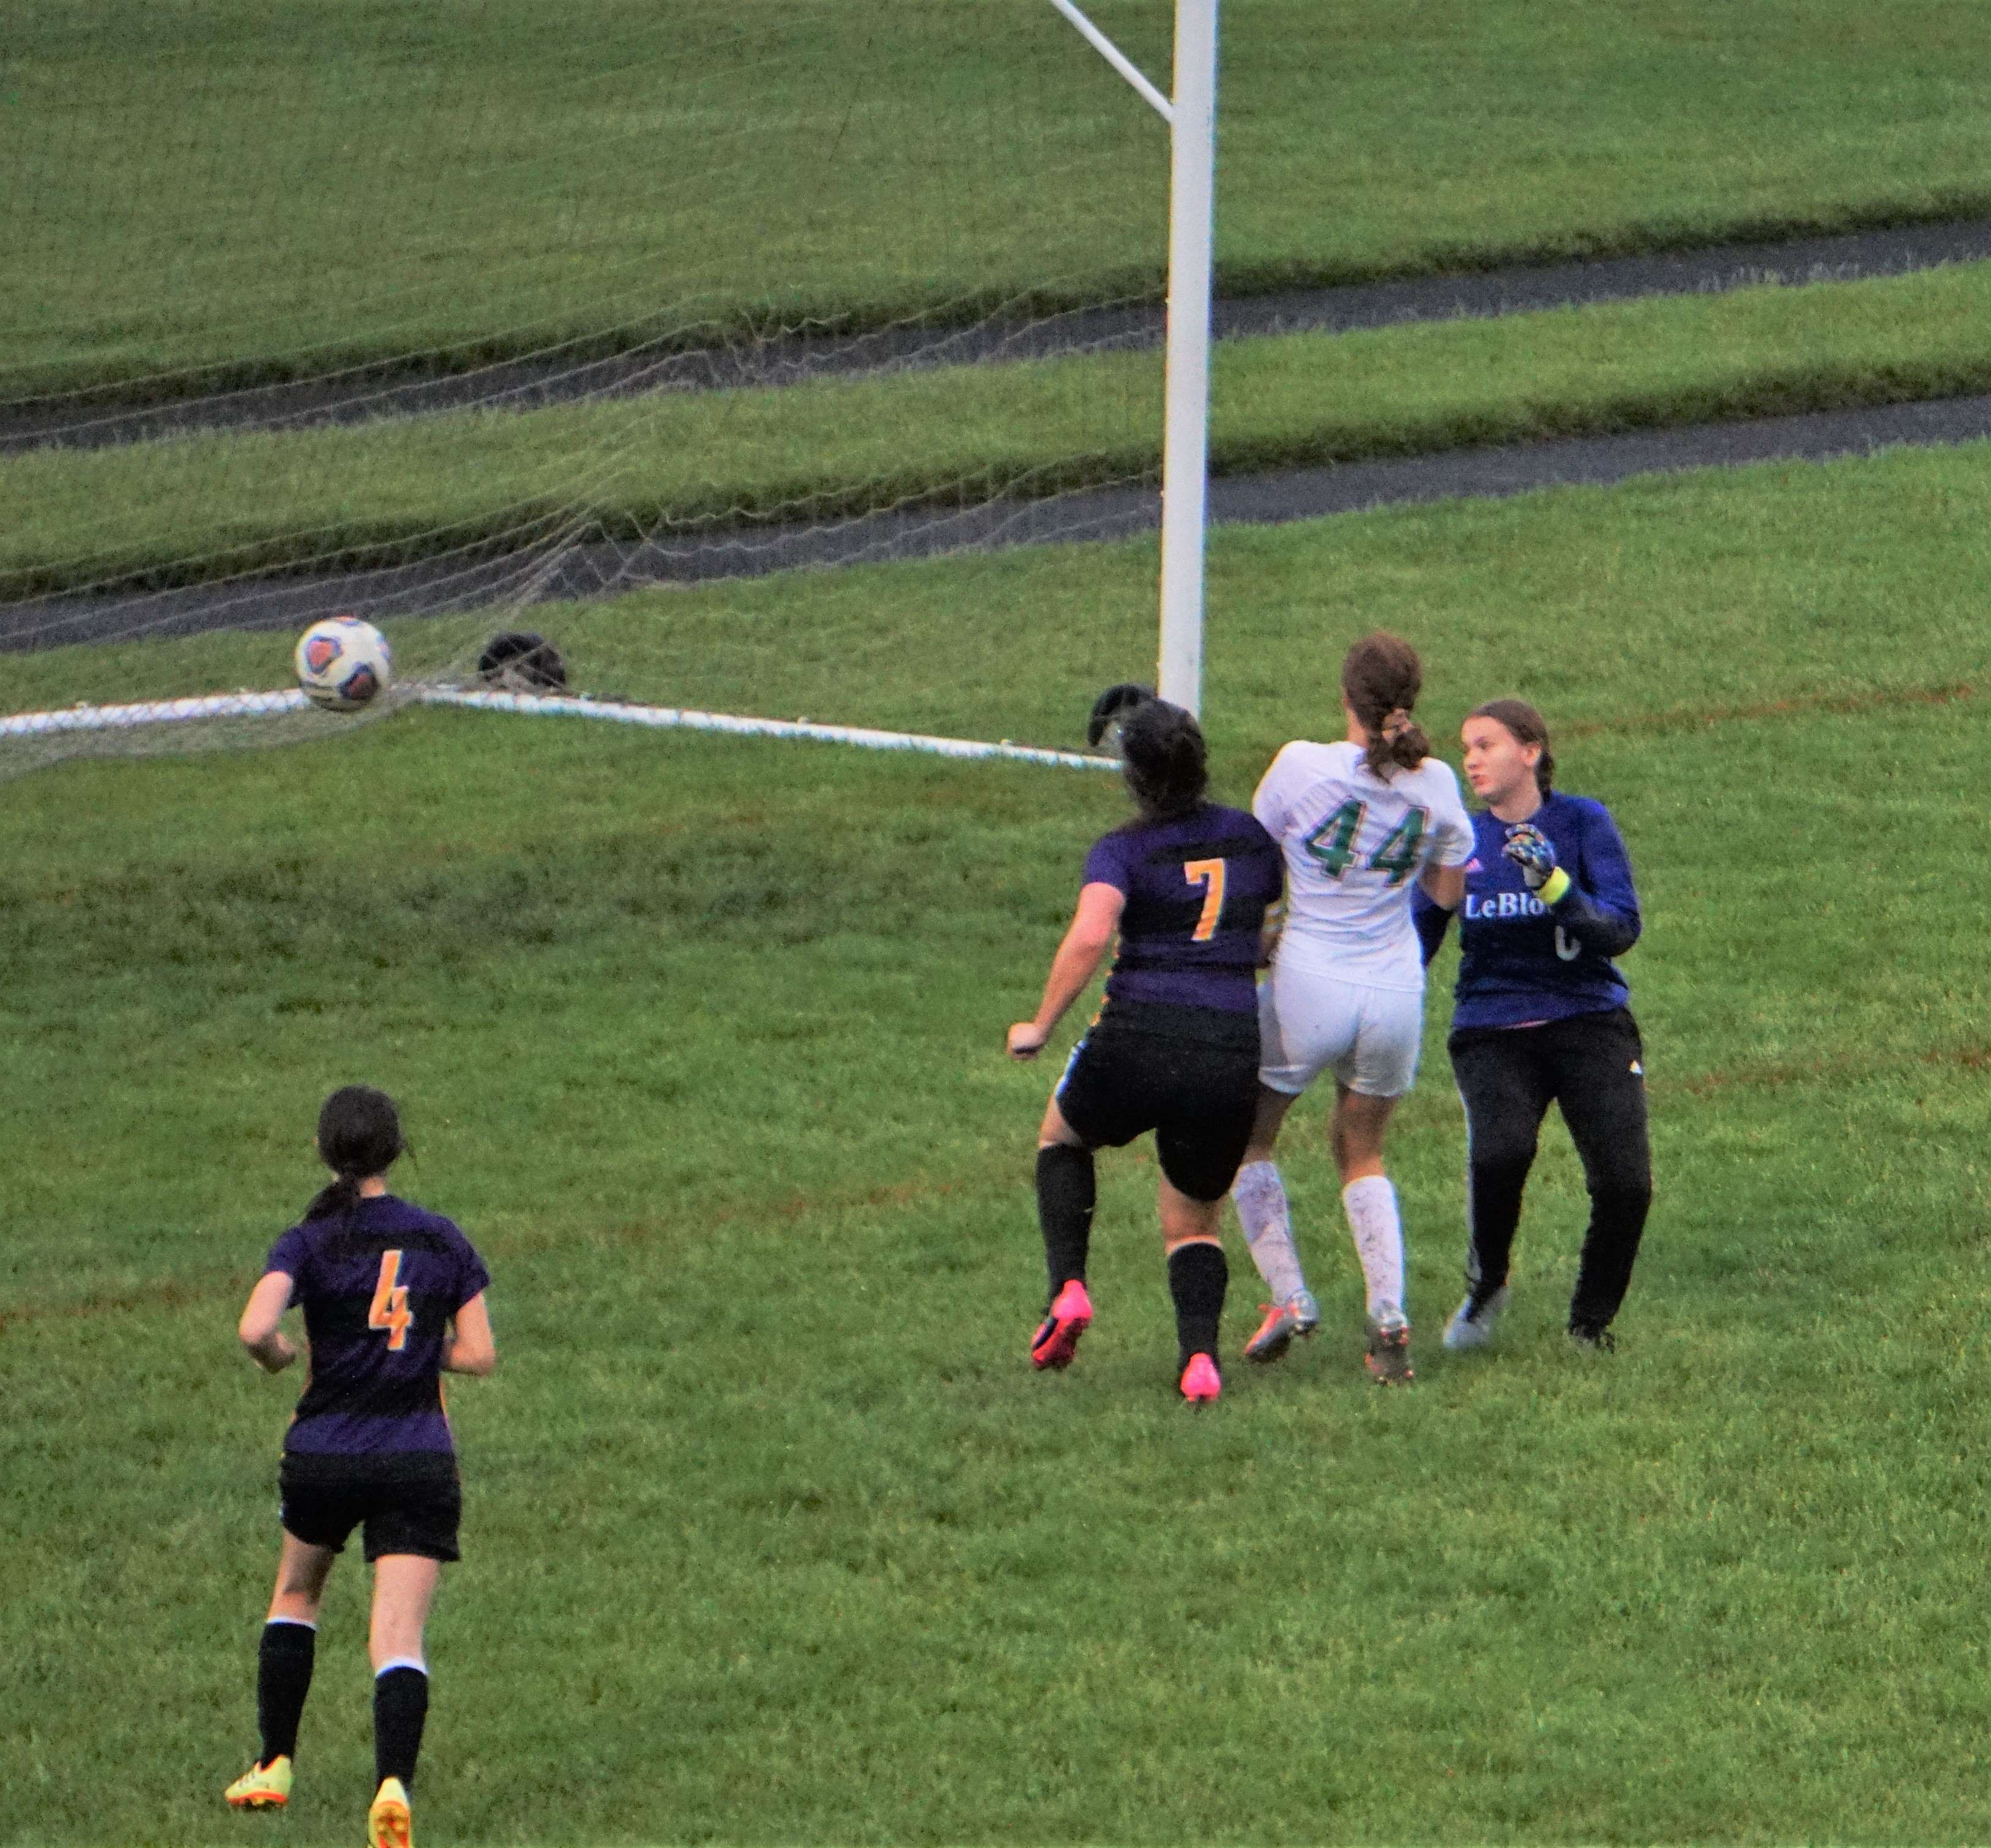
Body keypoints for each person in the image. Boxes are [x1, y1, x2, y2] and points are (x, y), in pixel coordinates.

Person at [225, 1086, 495, 1848]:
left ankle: (274, 1765)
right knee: (397, 1633)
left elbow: (255, 1327)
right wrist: (413, 1349)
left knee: (297, 1590)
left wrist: (281, 1356)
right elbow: (479, 1354)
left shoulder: (307, 1241)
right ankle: (393, 1787)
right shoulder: (441, 1239)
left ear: (325, 1153)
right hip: (416, 1457)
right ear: (395, 1149)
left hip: (324, 1456)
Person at [1007, 692, 1284, 1404]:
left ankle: (1068, 1289)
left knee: (1062, 1137)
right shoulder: (1250, 838)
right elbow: (1255, 925)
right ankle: (1199, 1362)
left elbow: (1093, 933)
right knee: (1193, 1219)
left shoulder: (1121, 850)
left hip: (1137, 1035)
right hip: (1226, 1047)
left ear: (1132, 776)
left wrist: (1039, 1024)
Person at [1229, 633, 1472, 1383]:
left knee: (1248, 1138)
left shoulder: (1300, 766)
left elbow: (1255, 857)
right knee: (1361, 1151)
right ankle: (1389, 1312)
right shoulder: (1433, 785)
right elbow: (1447, 890)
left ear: (1345, 697)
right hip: (1394, 989)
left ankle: (1290, 1297)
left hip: (1310, 979)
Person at [1412, 698, 1651, 1351]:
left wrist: (1554, 888)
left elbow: (1619, 929)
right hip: (1491, 1026)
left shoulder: (1581, 822)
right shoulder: (1460, 838)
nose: (1470, 759)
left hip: (1588, 1019)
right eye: (1465, 748)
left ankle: (1589, 1324)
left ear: (1531, 751)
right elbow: (1415, 939)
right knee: (1500, 1153)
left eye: (1485, 744)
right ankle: (1486, 1283)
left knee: (1624, 1184)